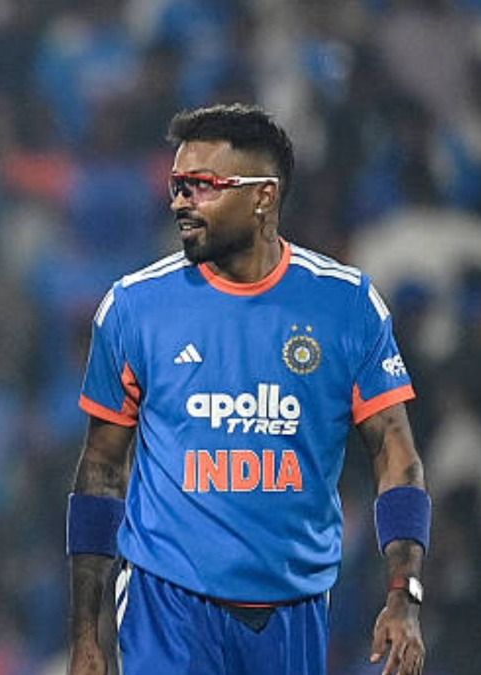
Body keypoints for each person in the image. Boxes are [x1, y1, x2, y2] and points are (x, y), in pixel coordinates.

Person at [66, 103, 429, 675]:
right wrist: (87, 635)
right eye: (177, 185)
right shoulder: (135, 307)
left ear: (264, 196)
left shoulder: (346, 305)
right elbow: (101, 471)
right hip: (167, 604)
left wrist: (402, 595)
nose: (181, 201)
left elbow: (396, 456)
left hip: (294, 606)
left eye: (202, 185)